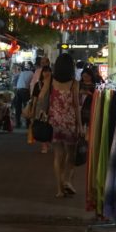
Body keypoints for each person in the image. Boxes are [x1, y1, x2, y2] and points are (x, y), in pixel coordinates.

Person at [39, 53, 81, 197]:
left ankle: (59, 190)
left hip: (55, 122)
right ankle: (67, 181)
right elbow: (76, 106)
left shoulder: (50, 80)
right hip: (70, 123)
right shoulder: (74, 83)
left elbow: (41, 96)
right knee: (71, 154)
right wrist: (80, 126)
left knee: (58, 155)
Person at [30, 65, 52, 154]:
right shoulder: (38, 84)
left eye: (48, 71)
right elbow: (35, 98)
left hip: (51, 107)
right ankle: (44, 144)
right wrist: (33, 109)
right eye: (44, 71)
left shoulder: (53, 84)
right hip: (41, 108)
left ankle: (47, 142)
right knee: (42, 125)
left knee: (50, 125)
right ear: (42, 73)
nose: (46, 73)